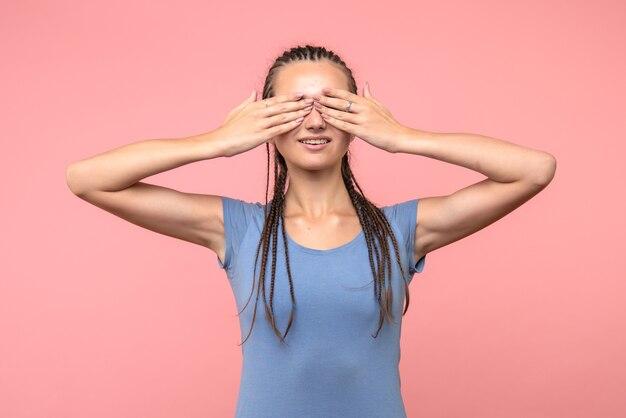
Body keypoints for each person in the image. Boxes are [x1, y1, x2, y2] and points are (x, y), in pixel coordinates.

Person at [66, 44, 556, 418]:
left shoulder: (400, 230)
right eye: (295, 105)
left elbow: (534, 169)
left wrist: (403, 137)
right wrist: (215, 142)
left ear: (358, 116)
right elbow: (87, 179)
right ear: (265, 118)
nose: (315, 120)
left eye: (333, 104)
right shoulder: (237, 228)